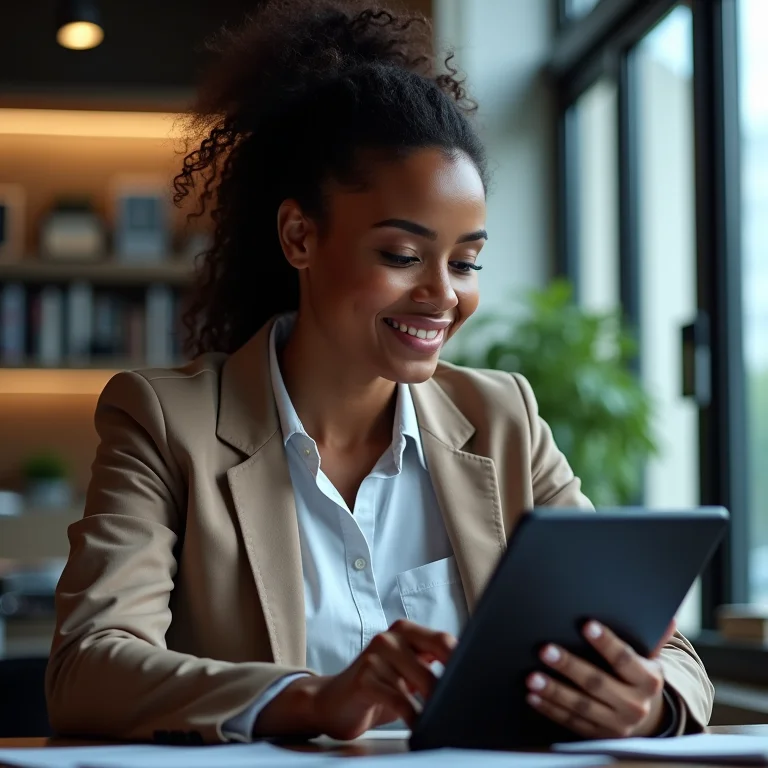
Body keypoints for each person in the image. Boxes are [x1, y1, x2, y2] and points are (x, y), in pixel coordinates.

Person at [46, 0, 713, 746]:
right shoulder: (167, 422)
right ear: (300, 236)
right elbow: (90, 667)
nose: (444, 294)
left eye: (466, 262)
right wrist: (310, 699)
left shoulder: (504, 420)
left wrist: (647, 703)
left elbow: (669, 651)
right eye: (402, 255)